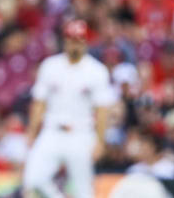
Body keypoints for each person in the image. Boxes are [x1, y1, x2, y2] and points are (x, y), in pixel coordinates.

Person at [22, 20, 113, 198]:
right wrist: (32, 132)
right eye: (71, 39)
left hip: (81, 133)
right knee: (33, 181)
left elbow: (102, 110)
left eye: (78, 40)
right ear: (64, 41)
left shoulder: (96, 70)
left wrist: (100, 141)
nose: (74, 44)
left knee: (84, 191)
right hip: (52, 130)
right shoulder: (50, 66)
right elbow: (39, 102)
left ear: (85, 42)